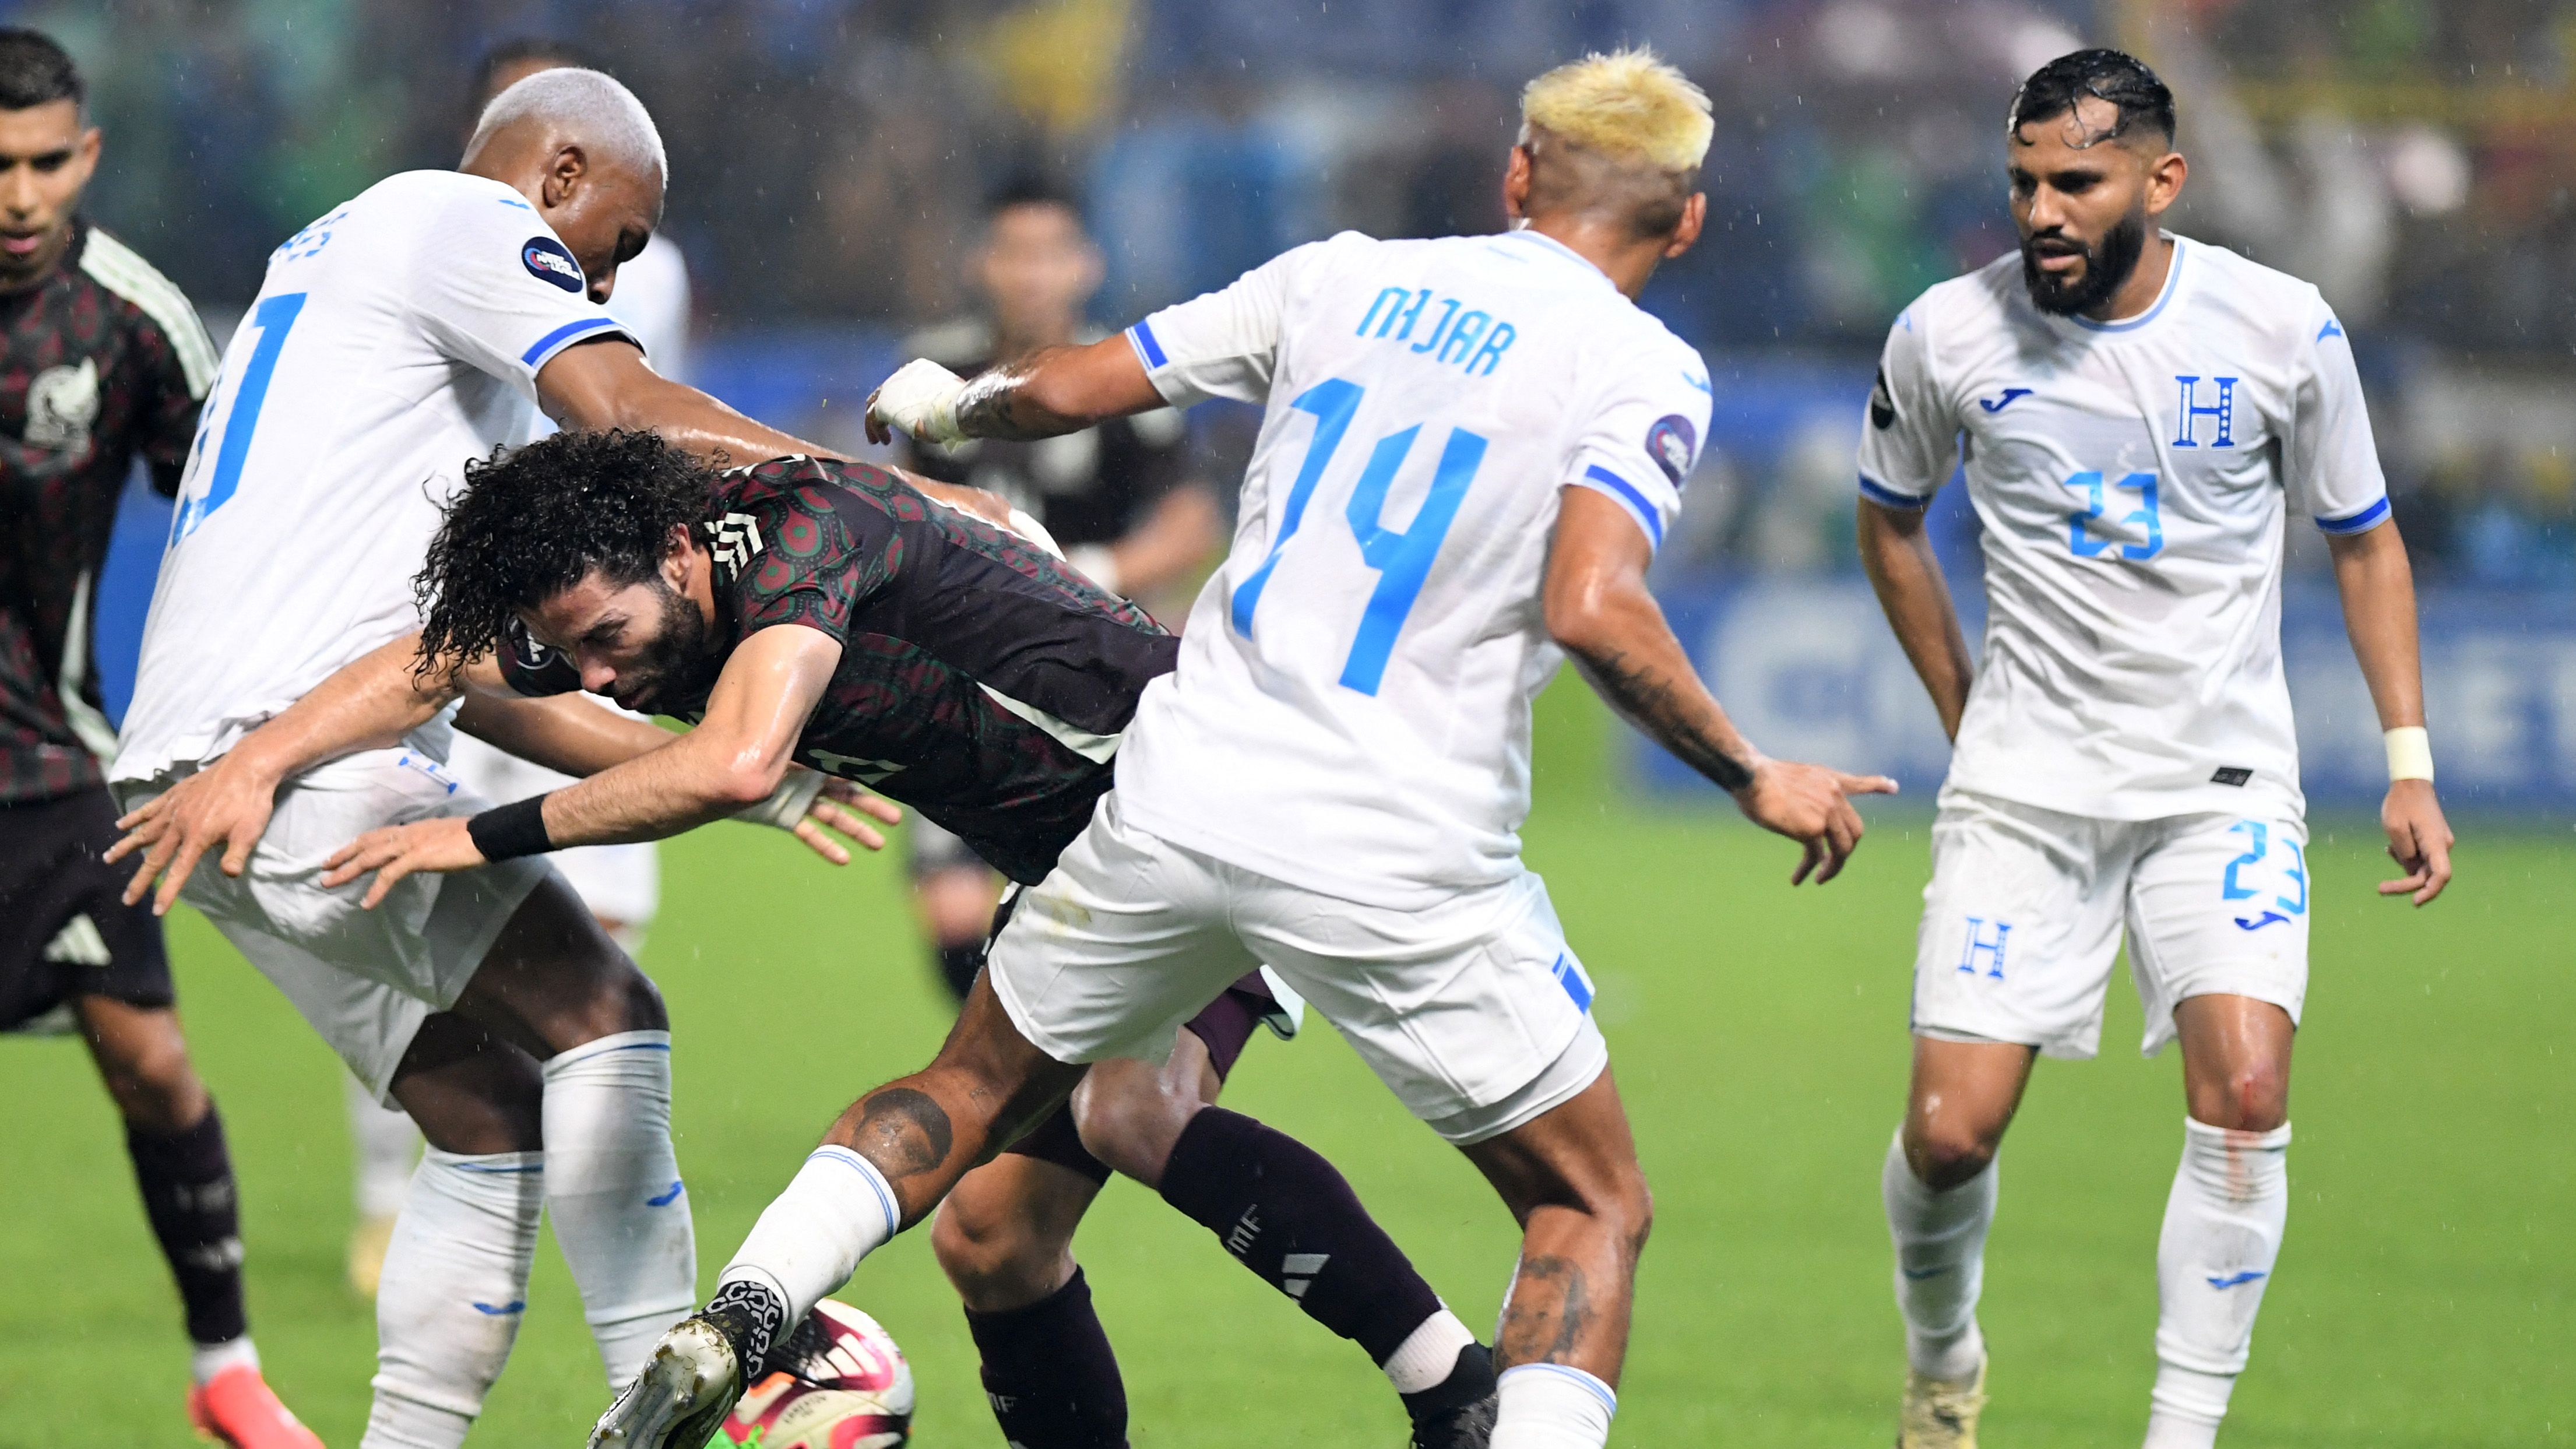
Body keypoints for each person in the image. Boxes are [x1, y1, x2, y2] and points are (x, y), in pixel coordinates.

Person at [594, 48, 1894, 1449]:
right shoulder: (1640, 368)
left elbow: (1073, 386)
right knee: (1585, 1203)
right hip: (1390, 832)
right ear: (1684, 222)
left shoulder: (1342, 276)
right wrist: (1750, 768)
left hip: (1179, 787)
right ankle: (1462, 1398)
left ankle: (741, 1314)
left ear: (1516, 175)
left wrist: (948, 406)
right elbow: (1591, 603)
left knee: (970, 1095)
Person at [221, 430, 1507, 1448]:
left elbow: (733, 763)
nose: (598, 681)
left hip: (1197, 797)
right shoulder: (620, 605)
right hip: (1076, 862)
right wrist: (254, 760)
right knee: (992, 1238)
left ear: (677, 551)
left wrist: (477, 834)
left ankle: (1458, 1394)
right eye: (573, 654)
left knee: (1132, 1108)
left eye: (604, 643)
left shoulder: (801, 530)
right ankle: (1455, 1389)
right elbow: (435, 663)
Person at [100, 67, 913, 1449]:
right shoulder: (463, 220)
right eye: (619, 235)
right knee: (607, 1012)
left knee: (485, 1115)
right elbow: (626, 405)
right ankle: (664, 1409)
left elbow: (473, 687)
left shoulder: (343, 279)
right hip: (287, 762)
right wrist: (873, 501)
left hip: (202, 777)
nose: (611, 276)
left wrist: (742, 774)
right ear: (558, 175)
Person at [1850, 50, 2454, 1449]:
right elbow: (1886, 520)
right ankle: (1941, 1366)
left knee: (2242, 1095)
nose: (2041, 212)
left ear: (2159, 181)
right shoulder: (1945, 334)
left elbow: (2363, 541)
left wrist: (2407, 760)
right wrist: (1961, 710)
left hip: (2216, 786)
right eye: (2023, 182)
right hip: (2023, 793)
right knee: (1947, 1134)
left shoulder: (2278, 328)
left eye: (2076, 181)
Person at [340, 32, 701, 1304]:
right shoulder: (440, 242)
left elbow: (629, 422)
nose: (609, 270)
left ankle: (527, 1192)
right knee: (439, 929)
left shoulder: (642, 276)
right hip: (447, 631)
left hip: (565, 629)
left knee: (591, 943)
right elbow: (623, 410)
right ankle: (394, 1197)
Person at [0, 30, 322, 1449]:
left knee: (151, 1060)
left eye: (44, 163)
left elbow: (226, 521)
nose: (19, 195)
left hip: (53, 762)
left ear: (88, 156)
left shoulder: (131, 320)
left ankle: (224, 1366)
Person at [895, 174, 1222, 1005]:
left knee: (1087, 910)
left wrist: (1095, 573)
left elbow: (1192, 520)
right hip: (962, 679)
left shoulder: (1121, 377)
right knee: (957, 923)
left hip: (1086, 683)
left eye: (1050, 255)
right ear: (983, 263)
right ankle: (1014, 1070)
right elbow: (897, 507)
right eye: (1015, 254)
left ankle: (1057, 1072)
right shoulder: (936, 371)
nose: (1032, 275)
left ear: (1086, 265)